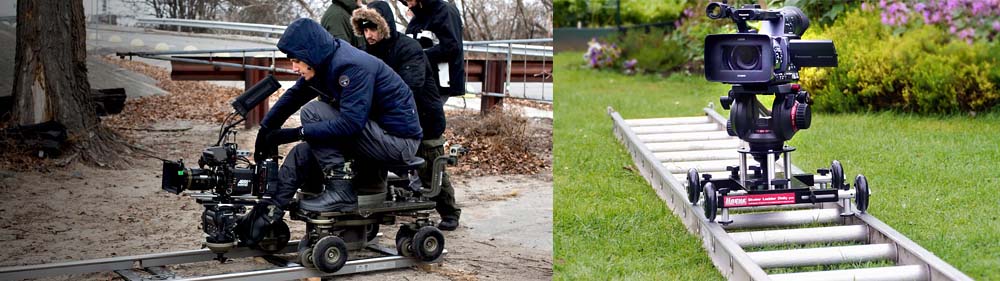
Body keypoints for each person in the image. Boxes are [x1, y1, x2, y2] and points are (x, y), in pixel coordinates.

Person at [242, 18, 423, 242]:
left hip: (398, 142)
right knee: (302, 153)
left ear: (311, 53)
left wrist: (295, 133)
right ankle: (269, 212)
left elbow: (351, 123)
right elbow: (294, 96)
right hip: (373, 137)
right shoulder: (324, 64)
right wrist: (266, 131)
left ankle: (341, 191)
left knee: (314, 112)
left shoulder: (351, 66)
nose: (294, 68)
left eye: (297, 60)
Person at [350, 2, 459, 231]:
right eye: (365, 29)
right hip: (388, 117)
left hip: (423, 116)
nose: (369, 35)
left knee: (431, 167)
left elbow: (411, 86)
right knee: (375, 158)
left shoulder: (409, 48)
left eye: (373, 28)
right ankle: (381, 201)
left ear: (384, 26)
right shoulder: (365, 51)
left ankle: (449, 211)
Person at [404, 0, 466, 97]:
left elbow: (451, 47)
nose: (408, 5)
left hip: (442, 80)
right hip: (420, 80)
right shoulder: (416, 18)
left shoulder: (444, 11)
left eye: (410, 0)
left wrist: (418, 57)